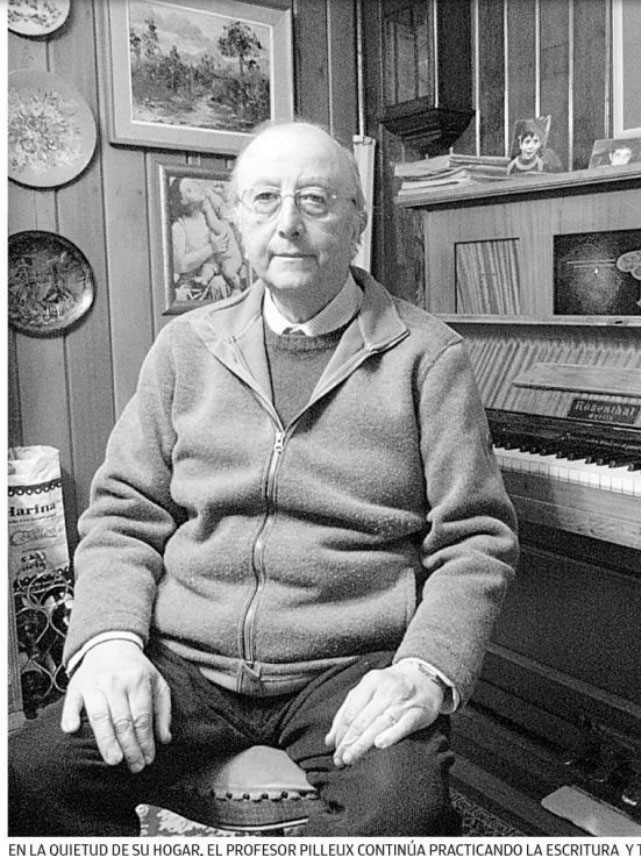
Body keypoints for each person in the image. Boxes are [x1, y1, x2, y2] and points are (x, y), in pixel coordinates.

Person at [9, 120, 519, 837]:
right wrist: (111, 641)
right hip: (184, 662)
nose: (288, 224)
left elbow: (475, 541)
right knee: (28, 774)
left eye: (315, 200)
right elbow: (123, 513)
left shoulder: (428, 358)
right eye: (265, 199)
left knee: (402, 812)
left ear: (357, 221)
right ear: (237, 220)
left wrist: (425, 671)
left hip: (346, 668)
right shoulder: (185, 347)